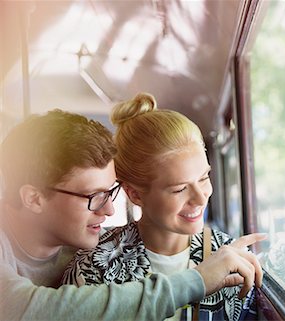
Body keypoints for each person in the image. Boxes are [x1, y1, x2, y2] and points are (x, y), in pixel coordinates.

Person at [0, 109, 265, 321]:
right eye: (94, 197)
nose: (110, 210)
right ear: (33, 198)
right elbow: (35, 311)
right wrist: (199, 279)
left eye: (110, 192)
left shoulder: (83, 245)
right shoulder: (92, 263)